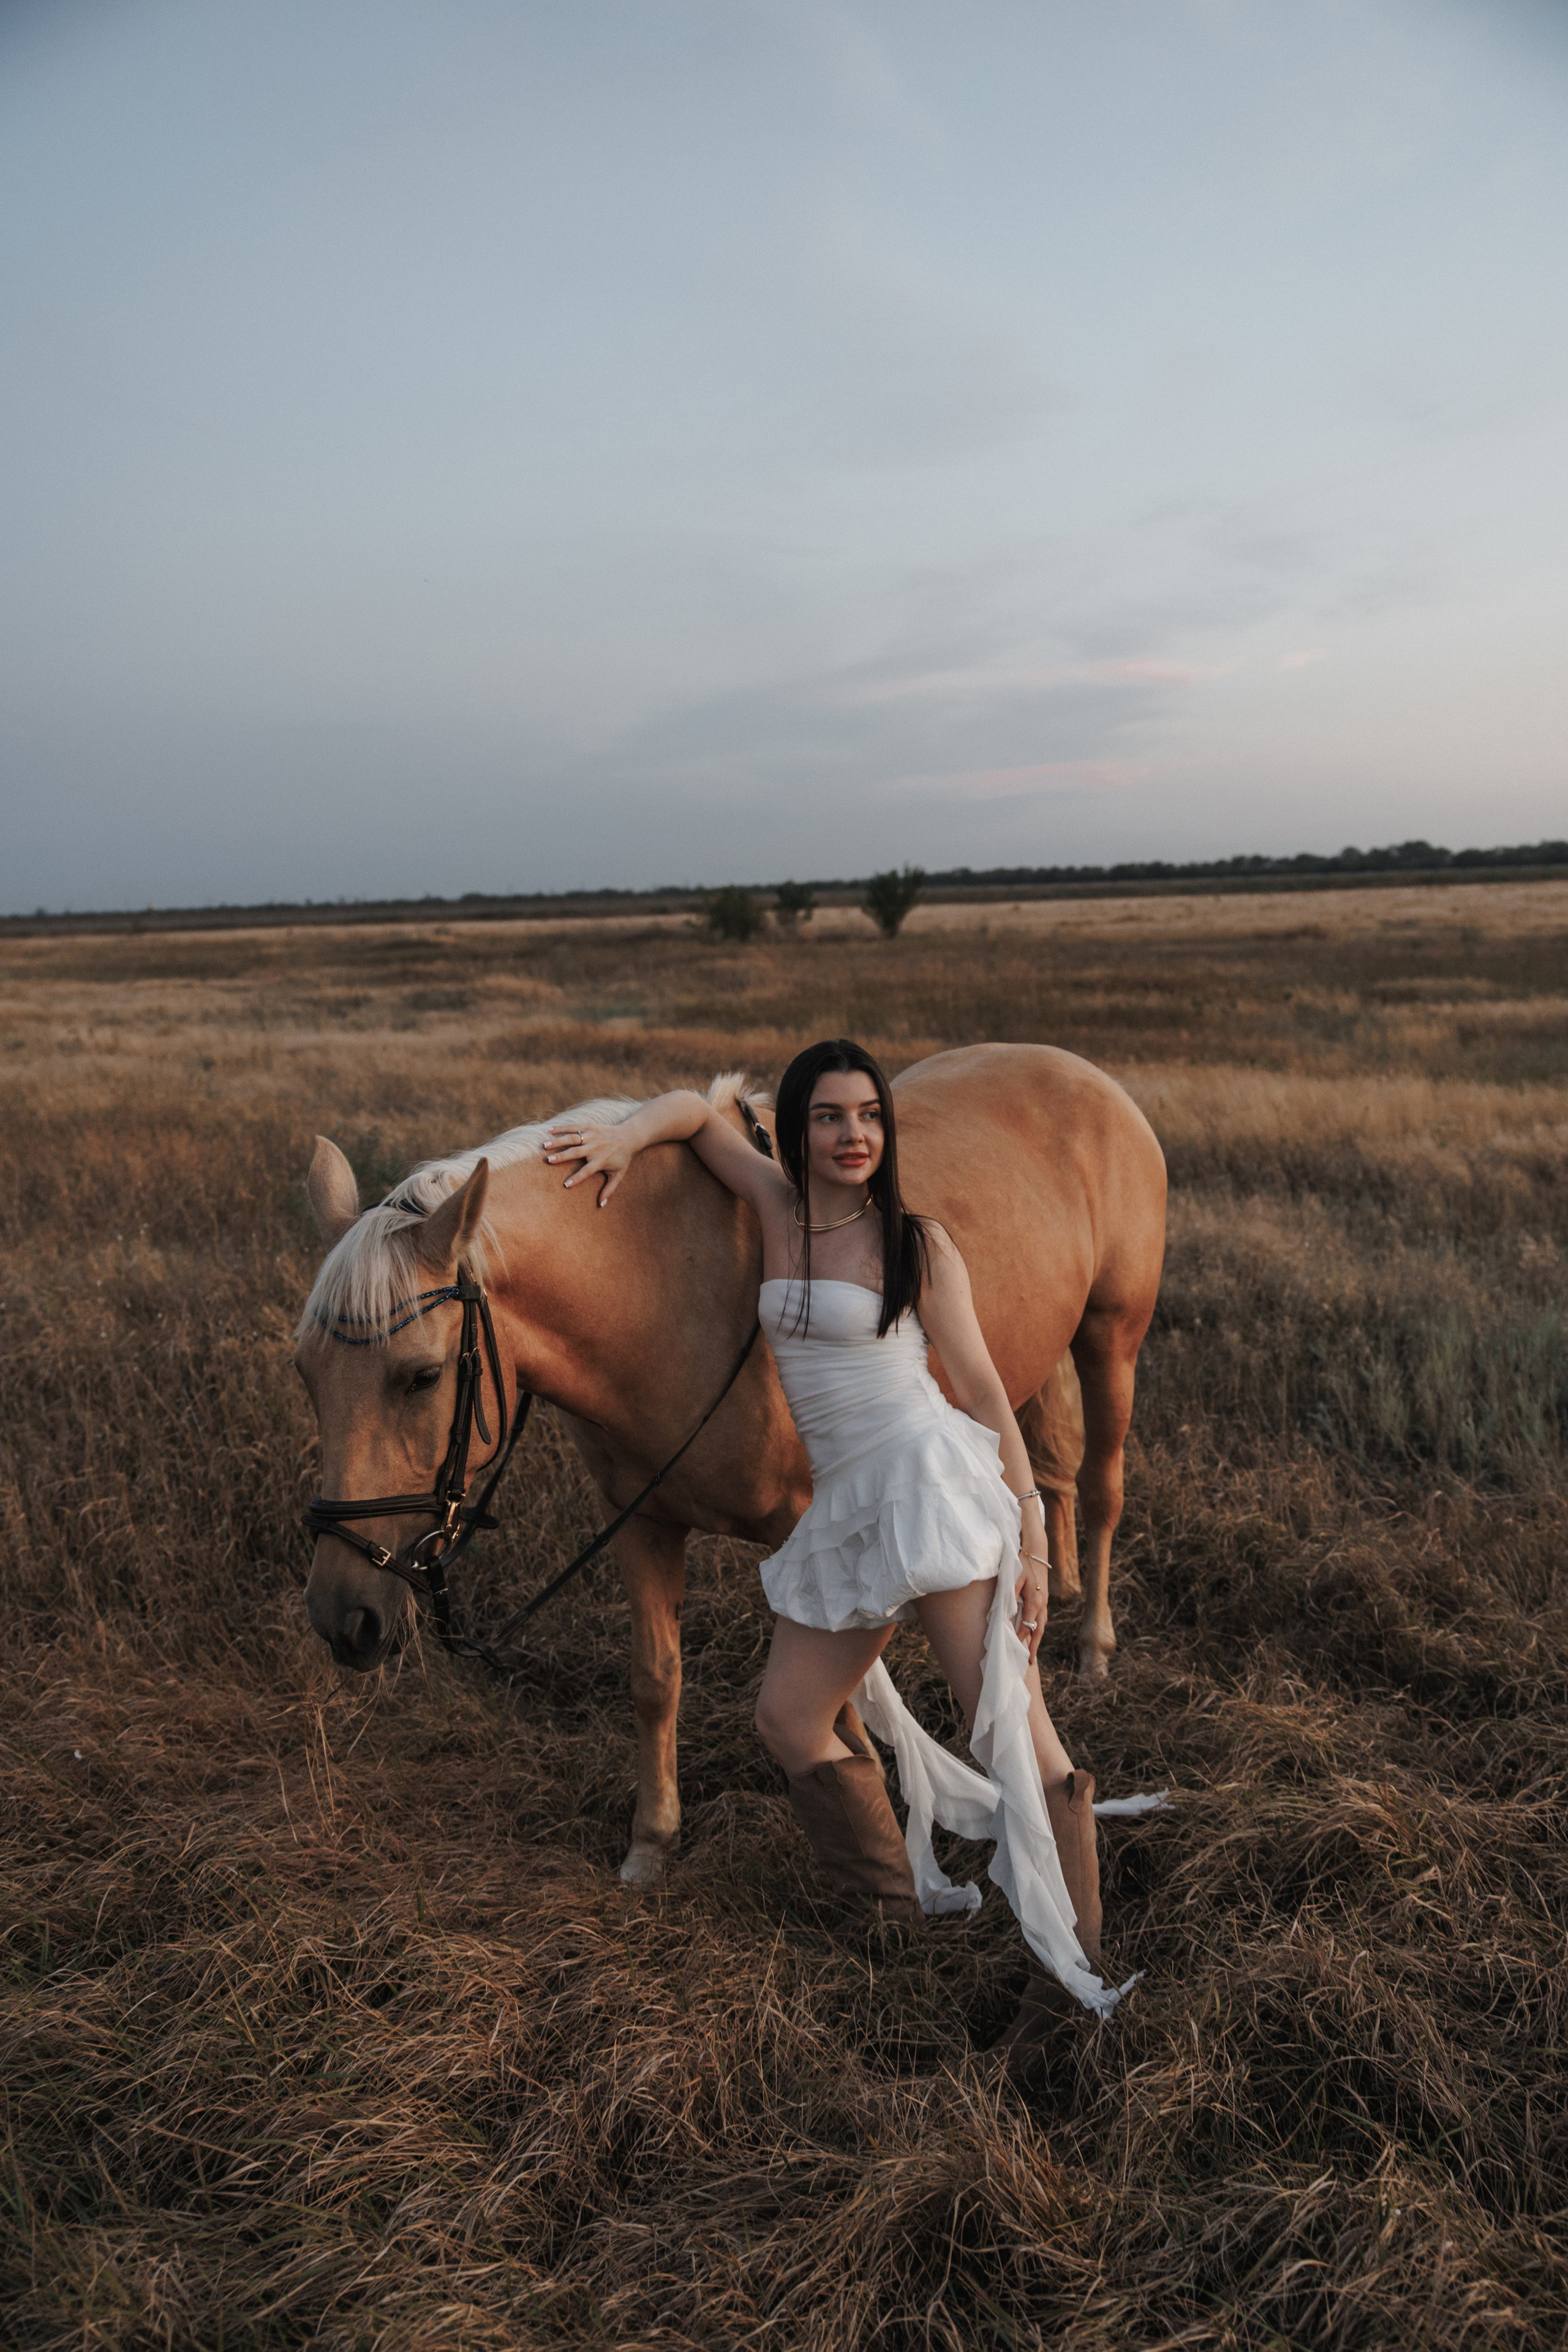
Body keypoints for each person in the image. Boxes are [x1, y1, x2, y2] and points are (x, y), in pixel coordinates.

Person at [546, 1037, 1144, 2051]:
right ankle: (887, 1917)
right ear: (797, 1130)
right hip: (846, 1507)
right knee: (786, 1718)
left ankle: (1070, 1976)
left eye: (869, 1115)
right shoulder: (774, 1210)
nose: (854, 1133)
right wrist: (620, 1136)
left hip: (923, 1488)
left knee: (1007, 1728)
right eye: (830, 1116)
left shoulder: (915, 1243)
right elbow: (697, 1114)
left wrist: (1034, 1535)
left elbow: (992, 1391)